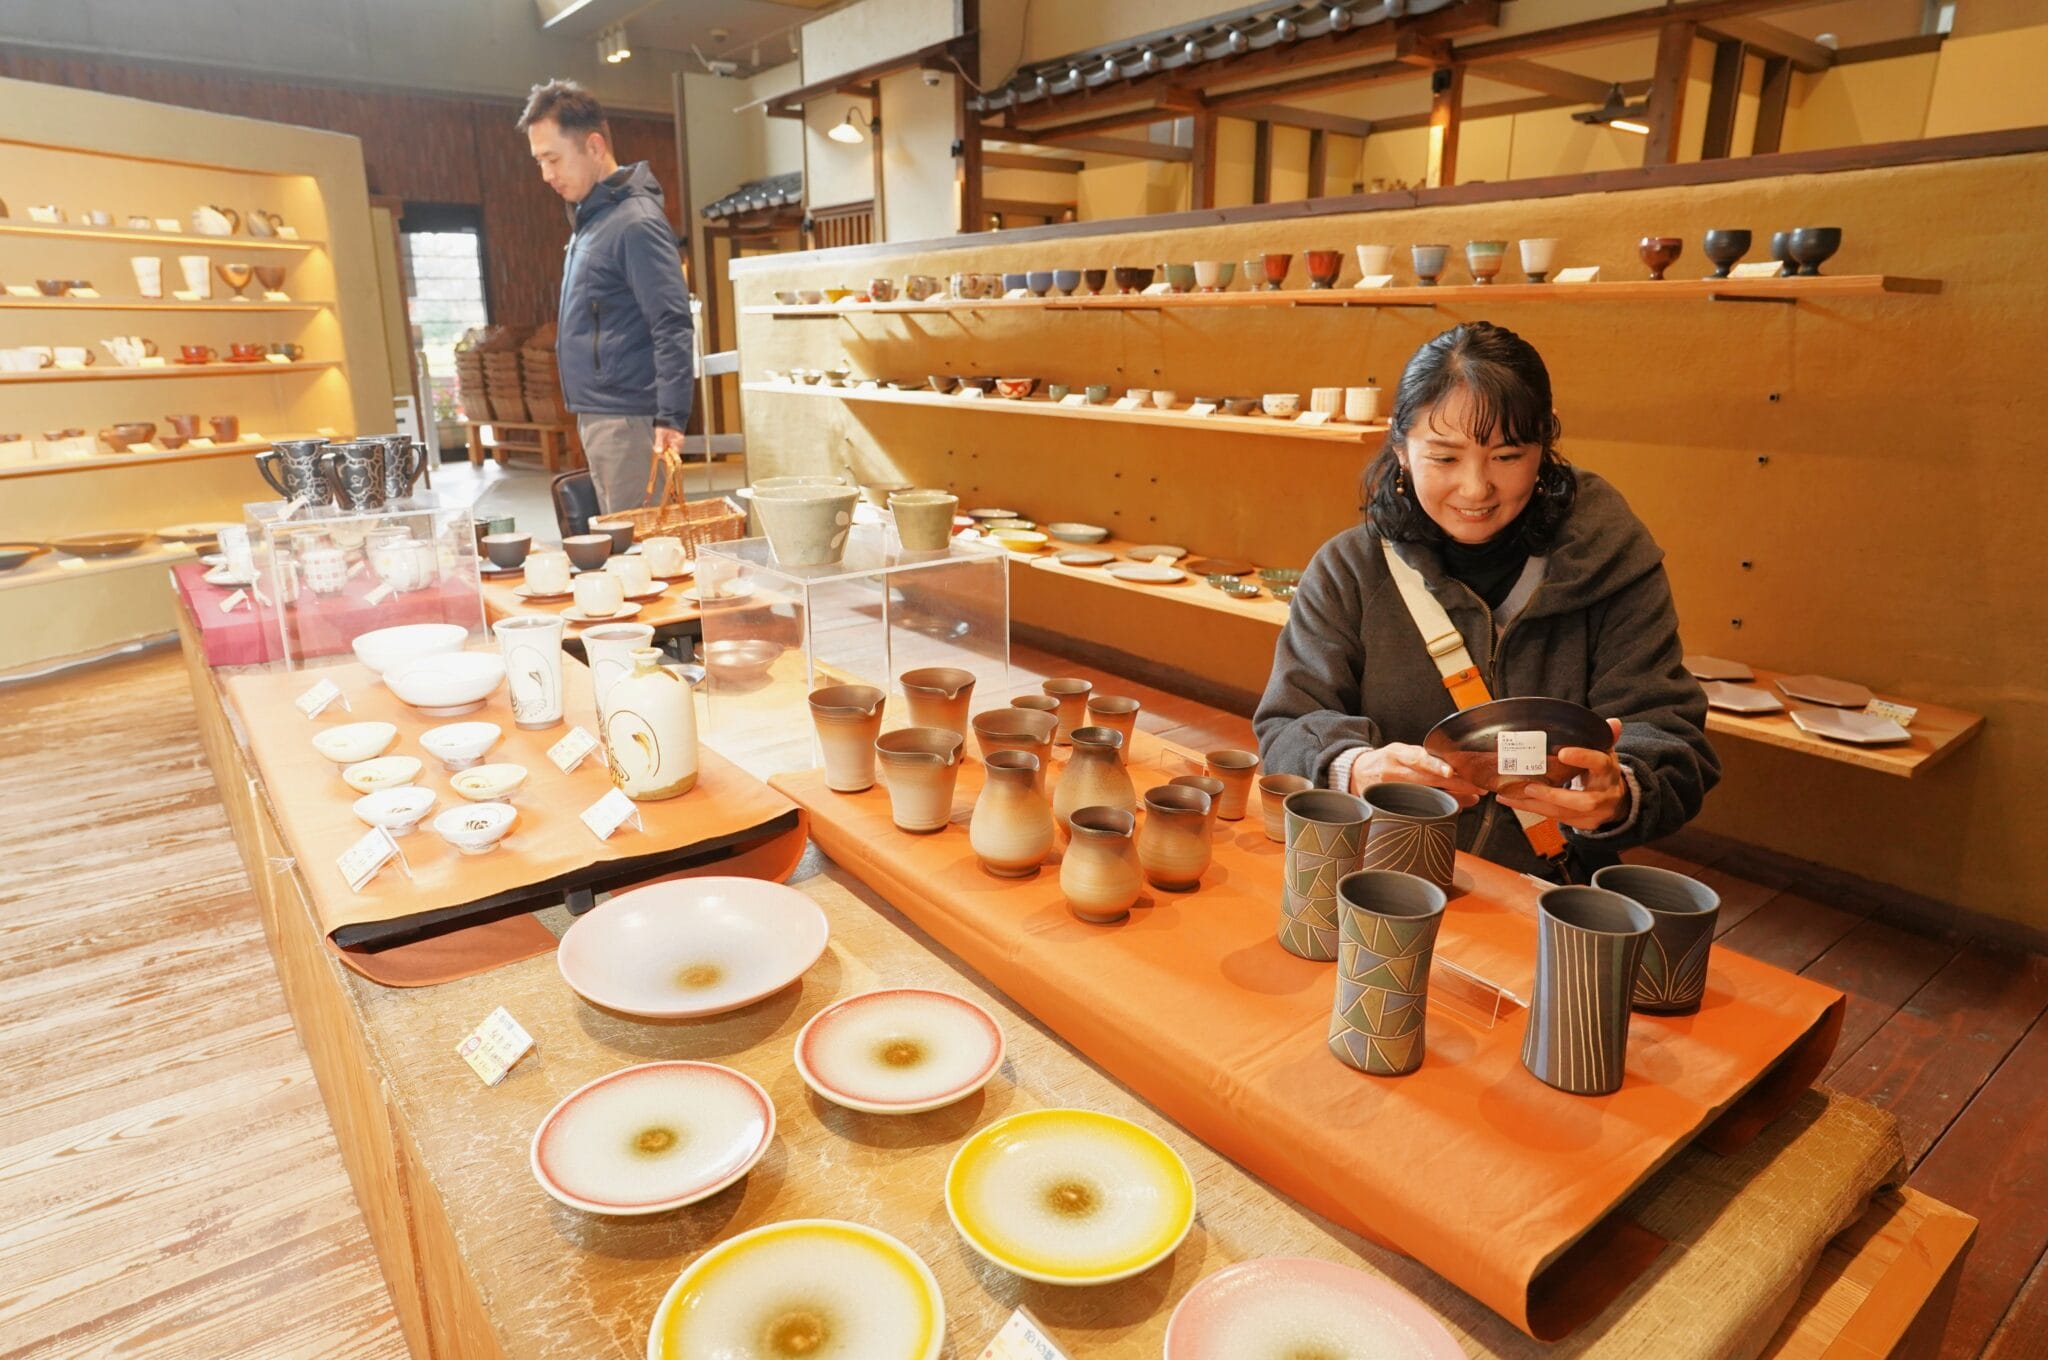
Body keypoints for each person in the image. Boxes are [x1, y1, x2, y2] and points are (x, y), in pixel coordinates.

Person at [1253, 321, 1718, 880]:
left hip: (1544, 887)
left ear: (1544, 448)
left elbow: (1670, 734)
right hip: (1377, 874)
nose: (1475, 489)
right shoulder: (1350, 569)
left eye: (1506, 456)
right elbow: (1289, 722)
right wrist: (1355, 767)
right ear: (1401, 448)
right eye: (1444, 458)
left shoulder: (1612, 562)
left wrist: (1620, 790)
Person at [517, 78, 694, 514]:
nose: (546, 175)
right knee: (623, 542)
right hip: (603, 412)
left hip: (628, 417)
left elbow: (671, 322)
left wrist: (671, 417)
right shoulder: (595, 221)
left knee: (641, 548)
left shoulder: (634, 223)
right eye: (539, 161)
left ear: (594, 146)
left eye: (553, 159)